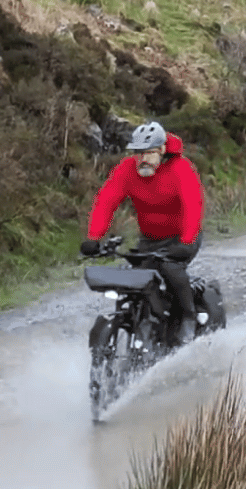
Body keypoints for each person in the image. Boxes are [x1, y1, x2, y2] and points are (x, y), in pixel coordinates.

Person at [81, 121, 206, 343]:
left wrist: (186, 241)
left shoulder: (181, 169)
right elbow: (106, 200)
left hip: (182, 237)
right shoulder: (128, 169)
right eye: (138, 153)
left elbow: (192, 205)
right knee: (137, 278)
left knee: (170, 268)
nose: (143, 159)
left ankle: (188, 316)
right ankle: (144, 322)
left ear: (162, 151)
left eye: (149, 153)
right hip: (149, 239)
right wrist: (94, 238)